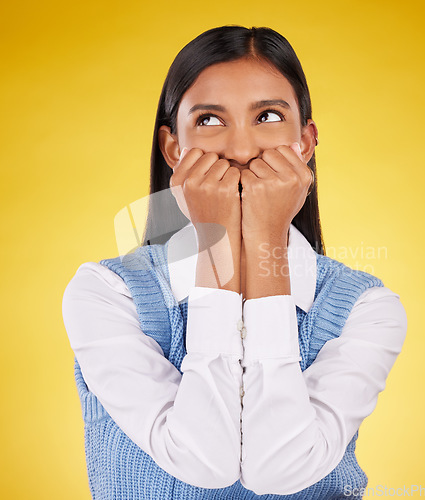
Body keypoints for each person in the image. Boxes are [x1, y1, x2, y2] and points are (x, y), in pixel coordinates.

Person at [62, 25, 407, 499]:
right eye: (209, 120)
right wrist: (216, 250)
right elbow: (203, 462)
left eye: (267, 115)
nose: (242, 150)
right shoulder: (106, 294)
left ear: (305, 143)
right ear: (172, 149)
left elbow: (279, 471)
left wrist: (264, 239)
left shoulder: (365, 309)